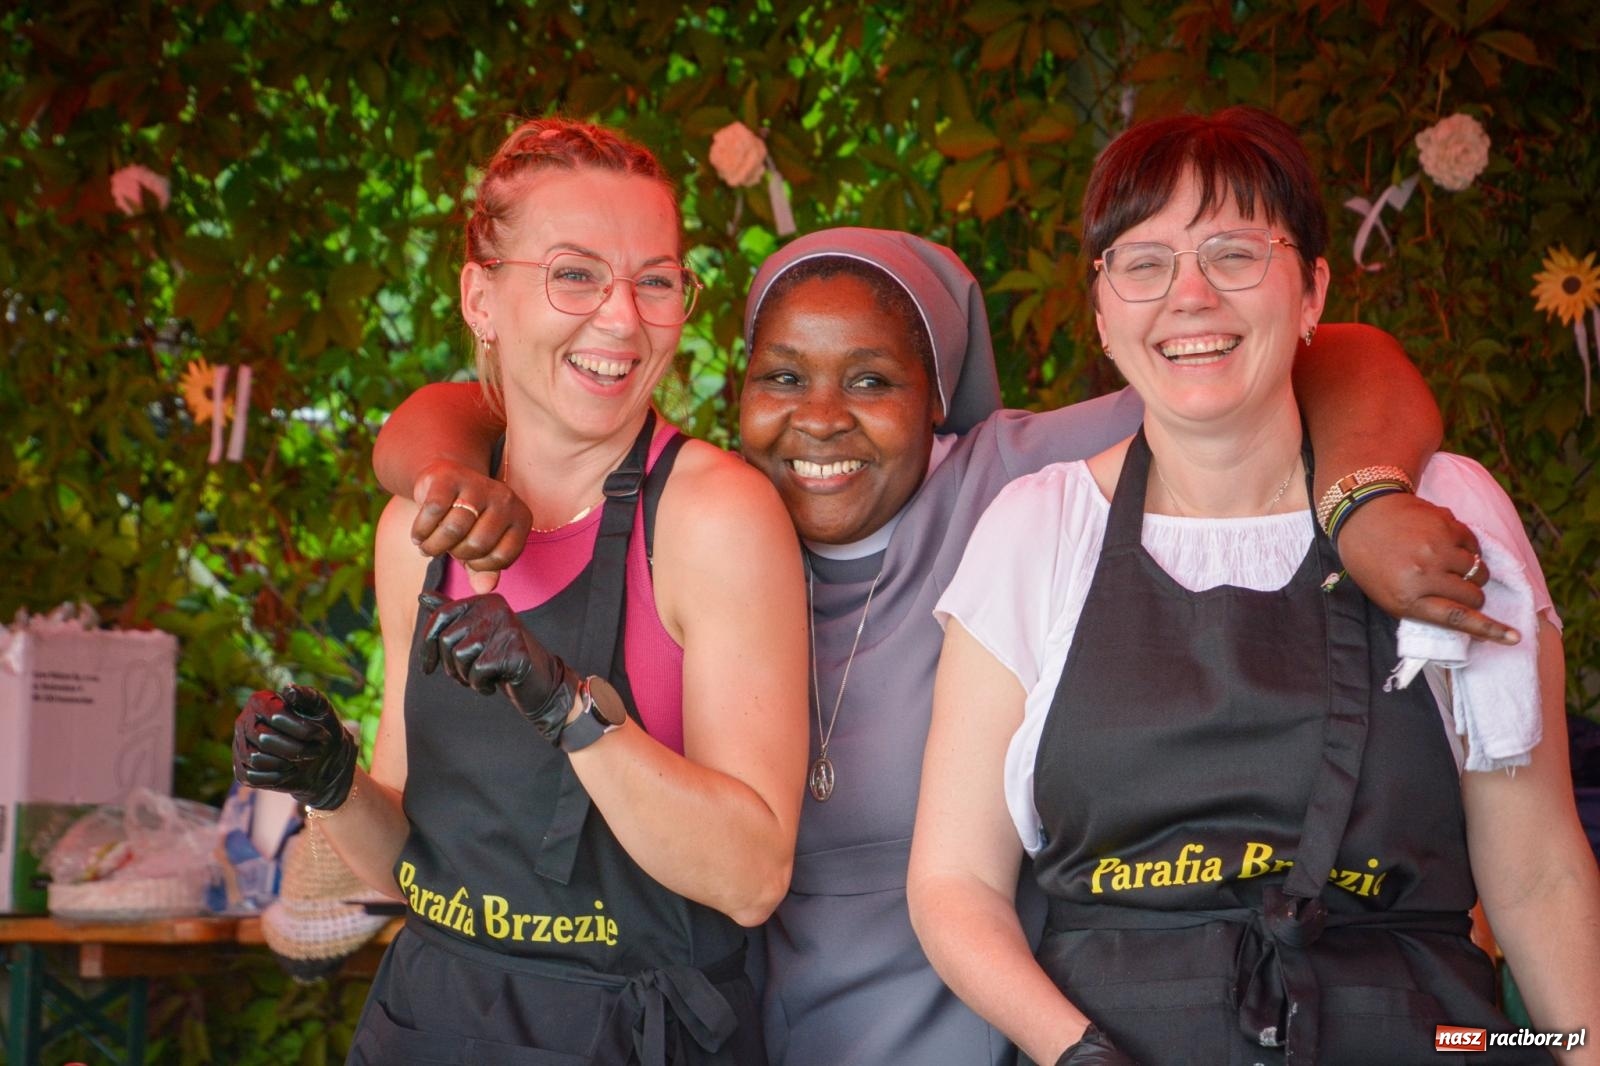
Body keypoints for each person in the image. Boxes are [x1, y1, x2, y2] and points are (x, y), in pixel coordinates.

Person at [908, 106, 1600, 1066]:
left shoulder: (1450, 511)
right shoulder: (1038, 530)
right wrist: (1076, 1055)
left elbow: (1538, 879)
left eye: (1234, 253)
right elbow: (954, 884)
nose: (1189, 295)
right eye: (1143, 264)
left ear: (1314, 289)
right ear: (1104, 311)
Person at [233, 117, 809, 1066]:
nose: (622, 319)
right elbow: (413, 872)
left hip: (628, 1034)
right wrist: (328, 784)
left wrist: (571, 709)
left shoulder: (713, 519)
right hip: (433, 1020)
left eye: (656, 280)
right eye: (575, 273)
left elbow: (751, 877)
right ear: (480, 298)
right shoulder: (412, 536)